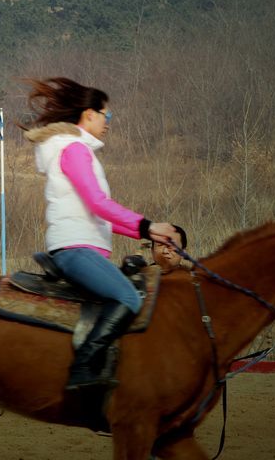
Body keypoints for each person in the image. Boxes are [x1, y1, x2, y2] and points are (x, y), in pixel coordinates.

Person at [23, 77, 179, 390]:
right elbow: (98, 202)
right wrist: (148, 226)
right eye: (106, 115)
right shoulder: (76, 150)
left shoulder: (76, 150)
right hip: (75, 248)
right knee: (126, 297)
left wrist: (148, 234)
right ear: (89, 115)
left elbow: (100, 215)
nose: (109, 122)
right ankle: (83, 368)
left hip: (83, 247)